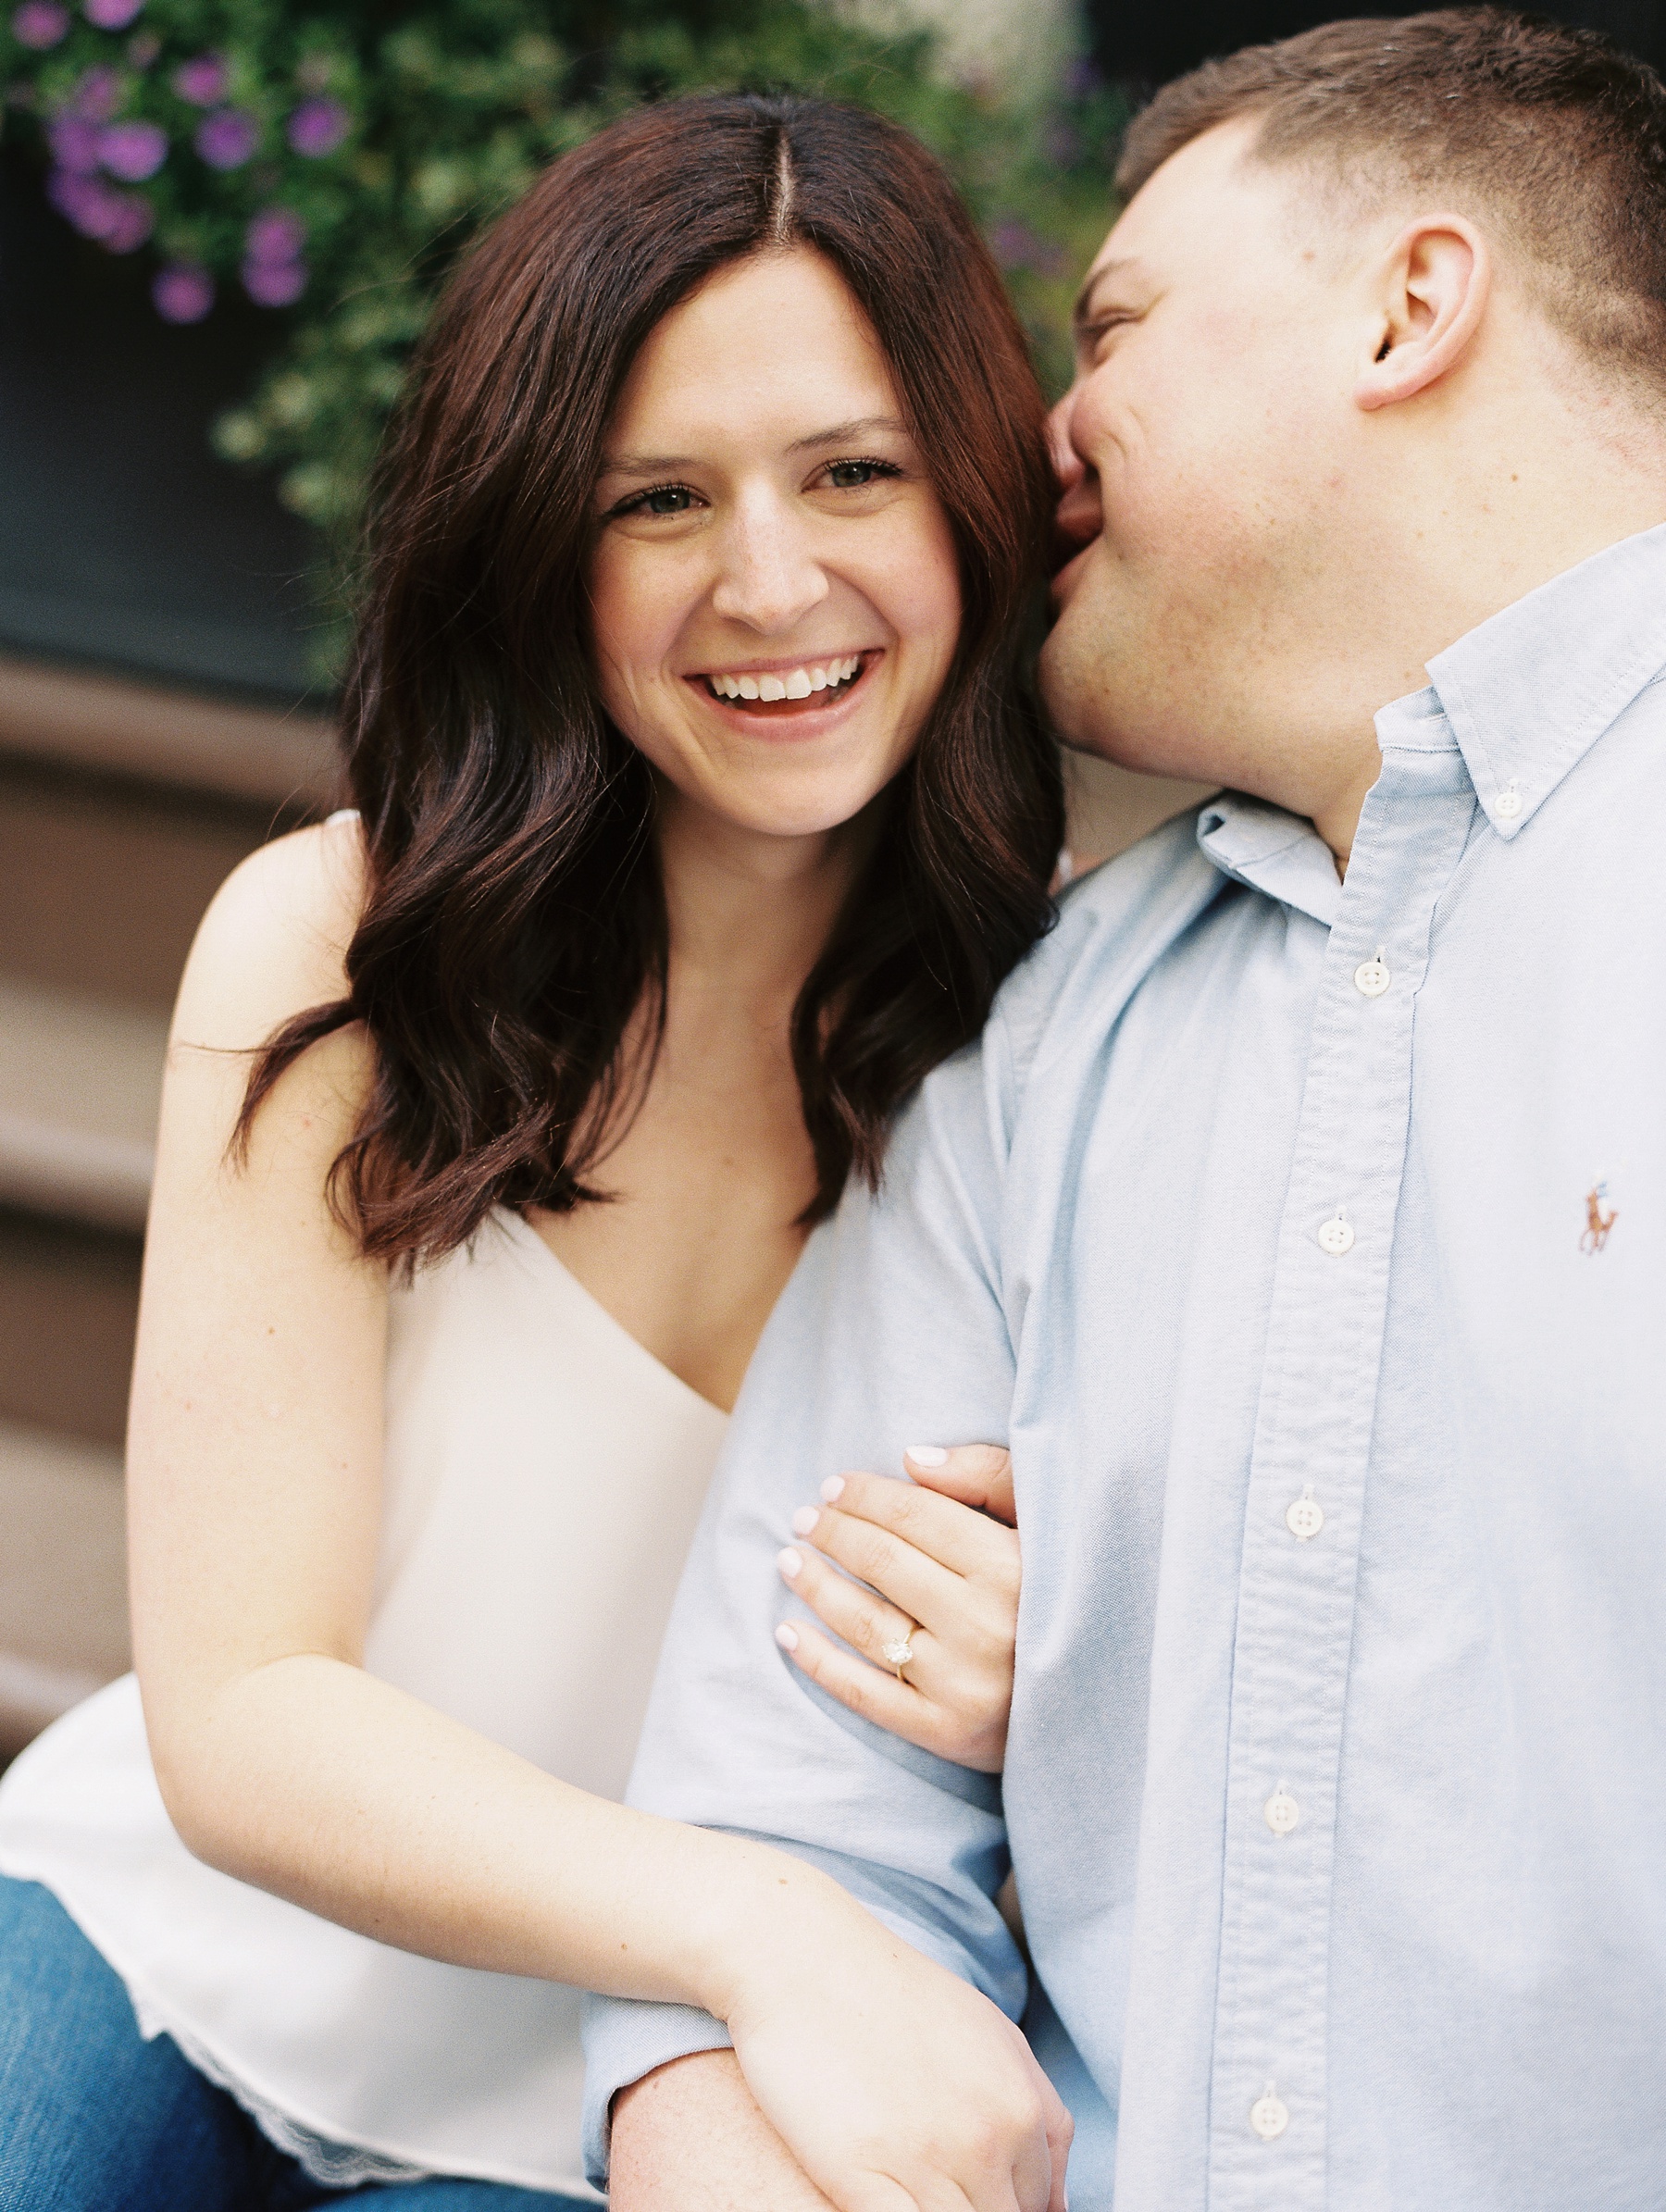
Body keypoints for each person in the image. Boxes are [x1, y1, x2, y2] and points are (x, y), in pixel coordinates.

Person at [588, 12, 1666, 2209]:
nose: (1042, 440)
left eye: (1115, 325)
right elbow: (778, 1848)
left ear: (1410, 306)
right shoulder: (1054, 1036)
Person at [0, 93, 1078, 2212]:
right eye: (657, 498)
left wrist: (1066, 1670)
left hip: (596, 2113)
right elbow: (246, 1714)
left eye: (852, 471)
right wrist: (762, 1926)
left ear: (973, 494)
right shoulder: (343, 945)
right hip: (165, 1949)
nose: (772, 583)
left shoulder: (1064, 1051)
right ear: (535, 546)